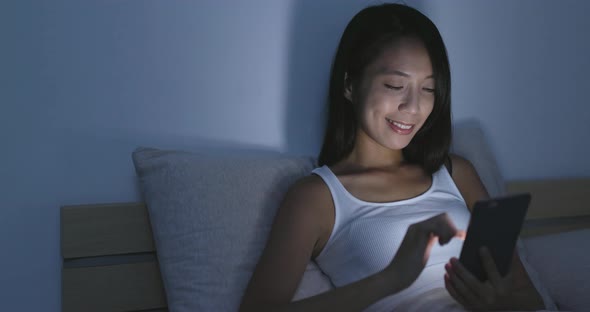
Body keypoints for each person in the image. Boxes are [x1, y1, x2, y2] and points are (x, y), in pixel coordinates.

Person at [240, 3, 549, 312]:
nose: (413, 107)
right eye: (394, 85)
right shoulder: (317, 197)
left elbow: (531, 300)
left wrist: (498, 304)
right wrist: (390, 279)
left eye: (428, 89)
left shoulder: (457, 174)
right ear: (350, 85)